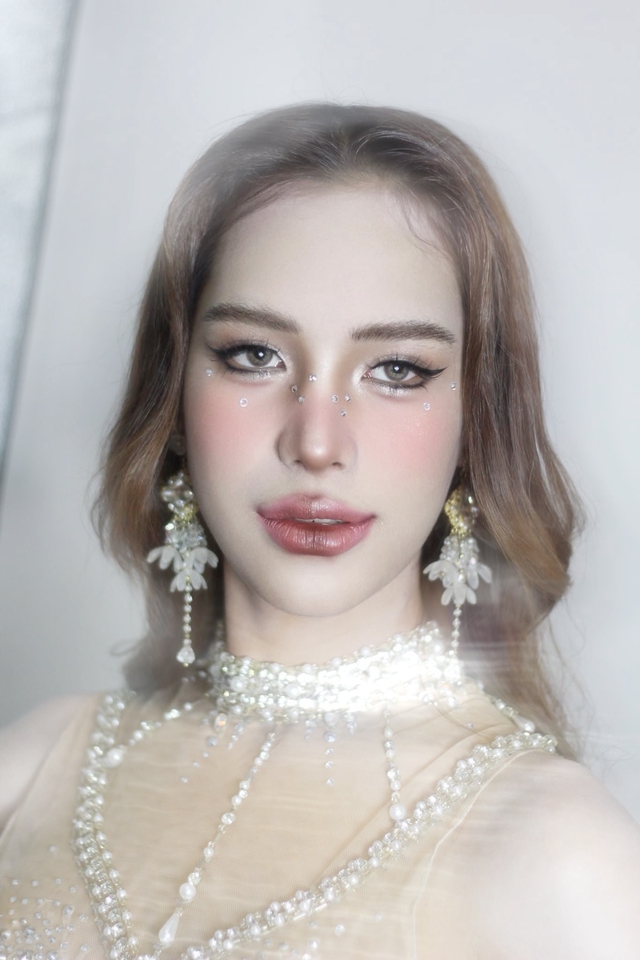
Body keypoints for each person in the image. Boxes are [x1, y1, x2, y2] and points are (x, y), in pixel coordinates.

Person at [0, 102, 639, 960]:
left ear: (475, 425)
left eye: (397, 369)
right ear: (174, 398)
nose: (315, 442)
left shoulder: (560, 855)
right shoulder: (37, 765)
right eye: (253, 355)